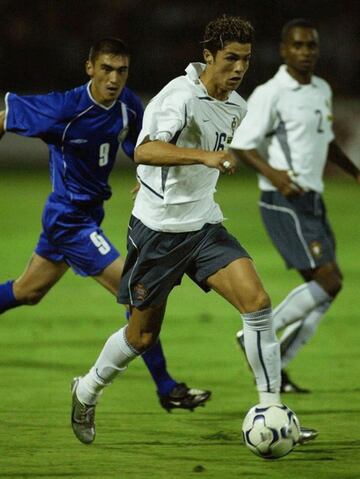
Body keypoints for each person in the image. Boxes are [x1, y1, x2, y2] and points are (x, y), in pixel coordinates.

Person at [70, 15, 316, 446]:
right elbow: (145, 149)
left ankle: (273, 410)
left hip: (203, 227)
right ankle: (87, 389)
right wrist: (200, 157)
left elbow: (166, 160)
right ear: (208, 56)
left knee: (257, 303)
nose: (238, 68)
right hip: (158, 235)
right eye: (230, 58)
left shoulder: (237, 106)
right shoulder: (179, 95)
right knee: (141, 337)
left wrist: (176, 170)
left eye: (245, 59)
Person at [0, 38, 211, 412]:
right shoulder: (65, 108)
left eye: (122, 70)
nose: (114, 79)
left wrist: (144, 171)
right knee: (136, 292)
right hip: (69, 220)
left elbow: (137, 144)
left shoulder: (128, 104)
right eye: (106, 69)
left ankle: (165, 387)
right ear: (90, 68)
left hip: (86, 216)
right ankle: (167, 388)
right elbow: (3, 117)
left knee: (27, 291)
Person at [230, 19, 360, 393]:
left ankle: (279, 363)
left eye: (311, 46)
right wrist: (274, 174)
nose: (305, 52)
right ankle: (255, 335)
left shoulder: (320, 89)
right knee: (329, 282)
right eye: (298, 46)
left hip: (312, 199)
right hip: (284, 201)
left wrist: (353, 172)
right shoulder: (272, 92)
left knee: (324, 291)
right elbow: (242, 143)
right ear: (285, 50)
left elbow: (328, 139)